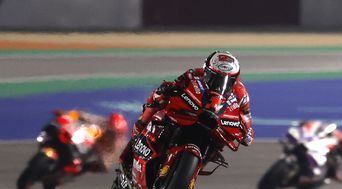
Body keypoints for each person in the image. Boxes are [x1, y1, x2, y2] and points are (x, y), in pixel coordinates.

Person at [119, 51, 254, 170]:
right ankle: (140, 128)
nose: (219, 84)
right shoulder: (194, 74)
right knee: (159, 97)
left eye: (227, 80)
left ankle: (194, 169)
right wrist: (167, 90)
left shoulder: (241, 95)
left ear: (235, 79)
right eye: (215, 78)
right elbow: (175, 84)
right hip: (188, 114)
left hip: (213, 125)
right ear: (207, 72)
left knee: (219, 143)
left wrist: (246, 133)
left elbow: (247, 119)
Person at [55, 109, 129, 173]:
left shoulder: (117, 143)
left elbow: (109, 155)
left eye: (113, 131)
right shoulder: (103, 122)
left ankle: (79, 168)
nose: (110, 130)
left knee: (103, 166)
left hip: (100, 149)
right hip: (89, 138)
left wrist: (98, 148)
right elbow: (87, 117)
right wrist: (70, 114)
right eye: (110, 125)